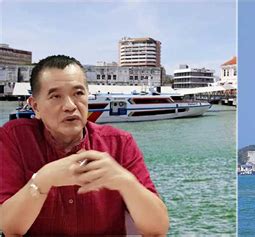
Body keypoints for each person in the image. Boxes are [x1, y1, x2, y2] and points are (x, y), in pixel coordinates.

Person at [0, 55, 169, 235]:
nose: (70, 106)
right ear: (35, 107)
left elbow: (157, 230)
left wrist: (126, 182)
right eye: (55, 96)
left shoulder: (119, 143)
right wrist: (43, 179)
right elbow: (10, 227)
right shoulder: (15, 138)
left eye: (78, 93)